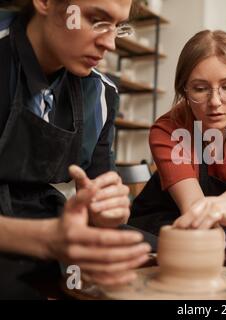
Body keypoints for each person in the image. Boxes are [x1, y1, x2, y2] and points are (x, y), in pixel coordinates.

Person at [0, 0, 151, 299]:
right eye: (97, 19)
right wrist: (47, 241)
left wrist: (107, 211)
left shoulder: (102, 94)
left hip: (47, 215)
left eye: (118, 27)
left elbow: (100, 189)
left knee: (152, 256)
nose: (110, 43)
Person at [131, 30, 226, 254]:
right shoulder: (168, 129)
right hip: (173, 221)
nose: (215, 102)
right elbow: (194, 208)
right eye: (200, 89)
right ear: (184, 89)